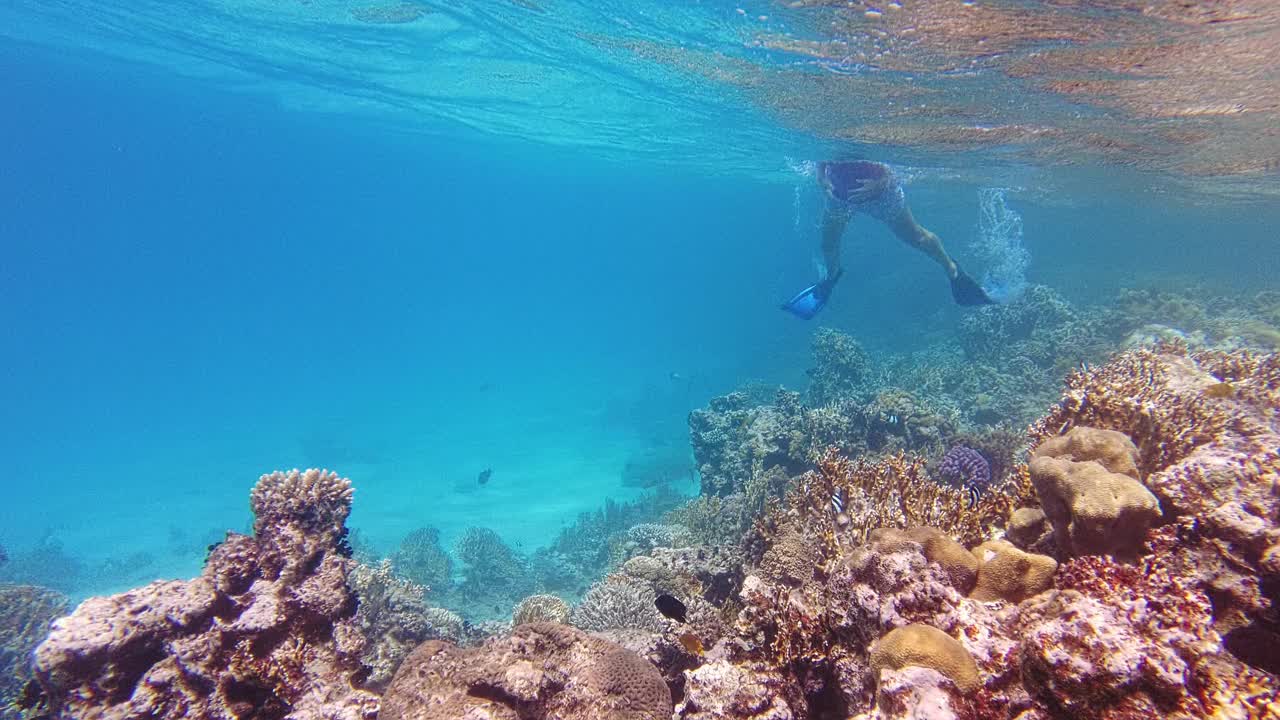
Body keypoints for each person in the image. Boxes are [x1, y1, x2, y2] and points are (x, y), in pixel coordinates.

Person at [781, 160, 992, 319]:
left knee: (916, 237)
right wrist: (822, 176)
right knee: (828, 242)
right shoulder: (825, 119)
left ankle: (953, 271)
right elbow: (824, 158)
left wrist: (883, 183)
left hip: (881, 196)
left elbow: (898, 161)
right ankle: (830, 279)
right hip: (839, 197)